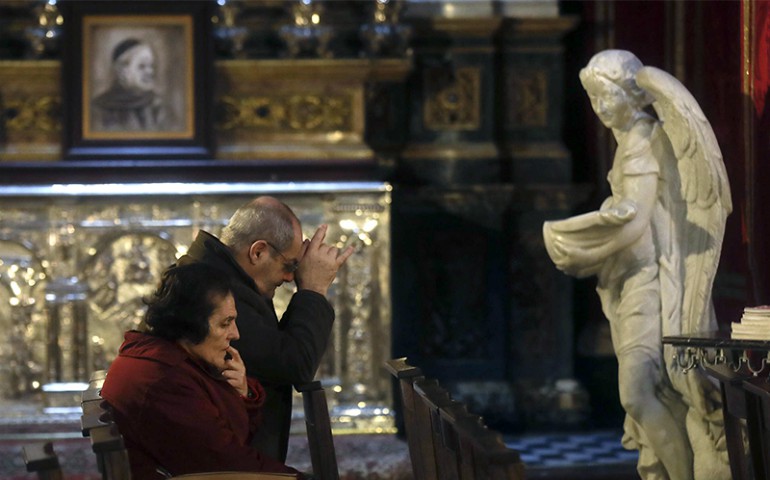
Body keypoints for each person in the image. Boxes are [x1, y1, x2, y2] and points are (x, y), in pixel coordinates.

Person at [543, 50, 731, 479]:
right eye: (592, 99)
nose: (599, 108)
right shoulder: (629, 142)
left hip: (653, 282)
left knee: (638, 391)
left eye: (605, 97)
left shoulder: (643, 140)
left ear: (629, 93)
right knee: (648, 391)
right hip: (632, 280)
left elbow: (633, 223)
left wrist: (573, 242)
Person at [176, 196, 354, 462]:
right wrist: (314, 290)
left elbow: (274, 348)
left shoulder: (219, 274)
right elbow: (294, 364)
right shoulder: (213, 291)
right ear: (258, 252)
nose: (290, 277)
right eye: (289, 265)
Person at [100, 263, 305, 479]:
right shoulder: (164, 380)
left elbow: (226, 442)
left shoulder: (163, 360)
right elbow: (230, 466)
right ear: (191, 322)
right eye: (225, 323)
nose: (235, 334)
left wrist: (242, 393)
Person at [91, 37, 169, 131]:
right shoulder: (99, 108)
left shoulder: (157, 105)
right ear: (122, 71)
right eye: (142, 66)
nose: (150, 72)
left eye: (151, 66)